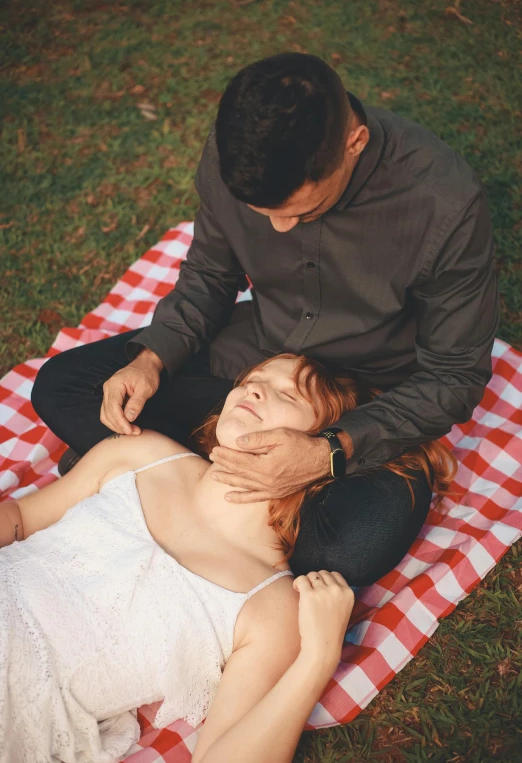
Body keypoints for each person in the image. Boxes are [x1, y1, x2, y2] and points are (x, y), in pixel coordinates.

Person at [31, 51, 497, 586]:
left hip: (368, 393)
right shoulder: (235, 156)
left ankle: (143, 472)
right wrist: (153, 360)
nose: (279, 230)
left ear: (355, 142)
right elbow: (209, 274)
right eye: (263, 214)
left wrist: (328, 454)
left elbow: (453, 376)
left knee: (350, 549)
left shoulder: (444, 202)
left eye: (301, 212)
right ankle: (214, 495)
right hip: (257, 355)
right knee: (64, 386)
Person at [0, 354, 454, 762]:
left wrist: (317, 658)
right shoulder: (140, 453)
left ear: (315, 453)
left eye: (287, 393)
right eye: (253, 378)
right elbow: (20, 519)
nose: (255, 388)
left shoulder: (269, 606)